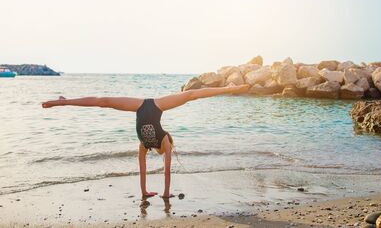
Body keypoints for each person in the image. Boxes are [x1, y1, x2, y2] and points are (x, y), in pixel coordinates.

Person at [42, 84, 249, 198]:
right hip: (156, 105)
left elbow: (142, 169)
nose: (163, 154)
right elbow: (166, 169)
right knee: (190, 94)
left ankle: (64, 102)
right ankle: (64, 102)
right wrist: (166, 193)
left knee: (104, 102)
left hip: (141, 106)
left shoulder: (144, 145)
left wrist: (145, 192)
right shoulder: (166, 141)